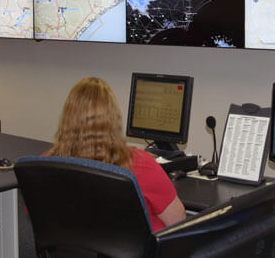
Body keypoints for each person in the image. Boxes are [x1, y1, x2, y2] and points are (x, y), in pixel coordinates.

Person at [48, 76, 186, 231]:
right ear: (113, 119)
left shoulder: (45, 166)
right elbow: (178, 221)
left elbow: (37, 214)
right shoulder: (141, 165)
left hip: (69, 244)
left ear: (66, 118)